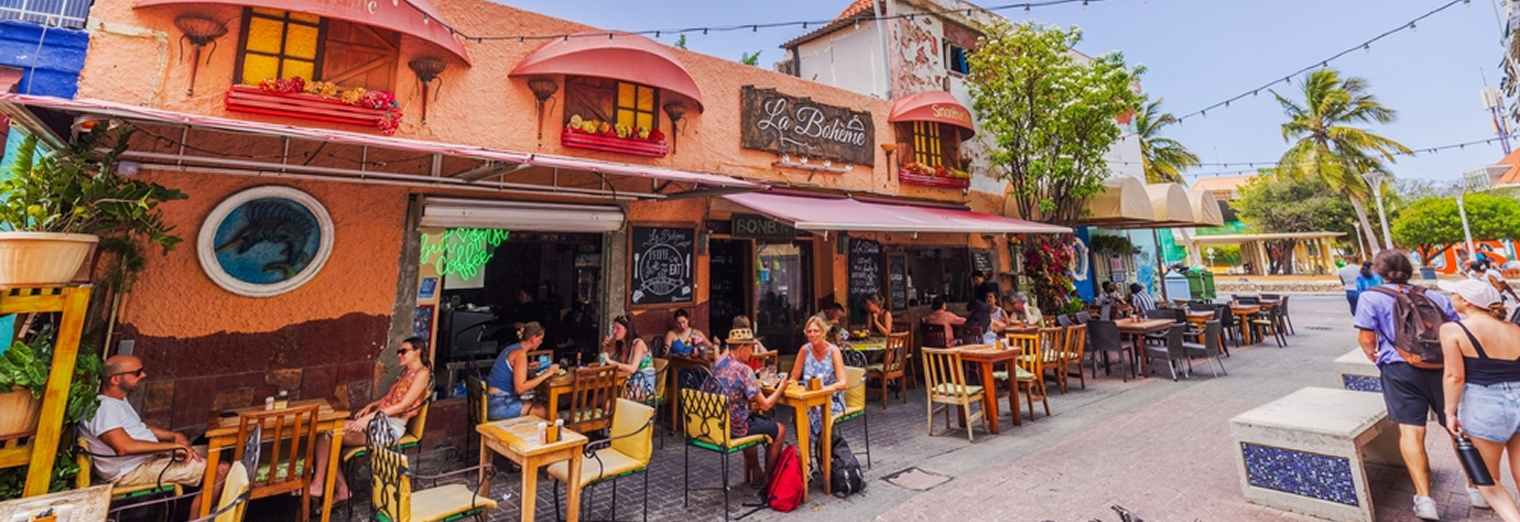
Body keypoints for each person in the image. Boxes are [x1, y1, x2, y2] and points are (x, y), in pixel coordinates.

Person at [1356, 249, 1487, 519]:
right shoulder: (1433, 296)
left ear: (1379, 272)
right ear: (1410, 270)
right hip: (1443, 369)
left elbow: (1367, 339)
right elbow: (1456, 331)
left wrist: (1374, 356)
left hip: (1400, 370)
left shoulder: (1371, 297)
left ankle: (1425, 499)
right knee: (1457, 426)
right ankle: (1476, 487)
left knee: (1412, 432)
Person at [80, 356, 230, 515]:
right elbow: (123, 447)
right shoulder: (104, 408)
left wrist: (173, 436)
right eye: (137, 372)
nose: (143, 375)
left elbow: (138, 427)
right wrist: (173, 447)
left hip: (146, 458)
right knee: (220, 469)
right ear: (115, 379)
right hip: (130, 471)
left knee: (221, 451)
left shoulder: (117, 401)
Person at [310, 337, 432, 503]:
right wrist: (372, 405)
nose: (399, 355)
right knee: (328, 433)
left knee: (328, 434)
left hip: (389, 428)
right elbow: (391, 398)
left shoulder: (422, 373)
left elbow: (403, 405)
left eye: (403, 351)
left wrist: (369, 417)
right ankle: (338, 489)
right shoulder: (405, 373)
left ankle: (320, 485)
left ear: (417, 352)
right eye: (398, 352)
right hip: (380, 422)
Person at [1439, 279, 1520, 520]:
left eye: (1454, 293)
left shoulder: (1453, 329)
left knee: (1487, 477)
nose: (1451, 298)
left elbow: (1454, 376)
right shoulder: (1515, 329)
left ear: (1467, 301)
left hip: (1484, 403)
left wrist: (1449, 412)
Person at [705, 330, 790, 487]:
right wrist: (781, 387)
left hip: (713, 425)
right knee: (780, 430)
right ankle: (768, 479)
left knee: (751, 419)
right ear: (742, 347)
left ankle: (757, 473)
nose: (752, 353)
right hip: (734, 427)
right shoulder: (744, 370)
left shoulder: (717, 365)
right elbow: (764, 405)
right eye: (750, 348)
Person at [787, 316, 847, 463]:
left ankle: (821, 456)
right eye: (809, 331)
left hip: (831, 399)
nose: (812, 334)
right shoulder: (804, 350)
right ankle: (806, 459)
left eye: (816, 331)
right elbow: (793, 378)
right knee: (798, 413)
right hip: (810, 399)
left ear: (823, 332)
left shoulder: (833, 351)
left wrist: (824, 389)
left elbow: (843, 383)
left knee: (807, 414)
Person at [485, 322, 560, 421]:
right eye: (540, 339)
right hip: (502, 405)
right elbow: (520, 388)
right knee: (553, 415)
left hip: (493, 400)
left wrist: (526, 366)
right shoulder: (520, 354)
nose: (541, 342)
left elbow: (510, 368)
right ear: (533, 338)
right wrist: (547, 373)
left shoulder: (512, 348)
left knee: (540, 406)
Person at [603, 315, 654, 398]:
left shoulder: (638, 343)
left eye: (618, 328)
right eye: (613, 328)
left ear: (627, 330)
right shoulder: (619, 344)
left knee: (611, 402)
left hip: (642, 382)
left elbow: (633, 368)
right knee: (597, 399)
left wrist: (610, 362)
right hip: (625, 380)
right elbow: (602, 360)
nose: (614, 331)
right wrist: (605, 348)